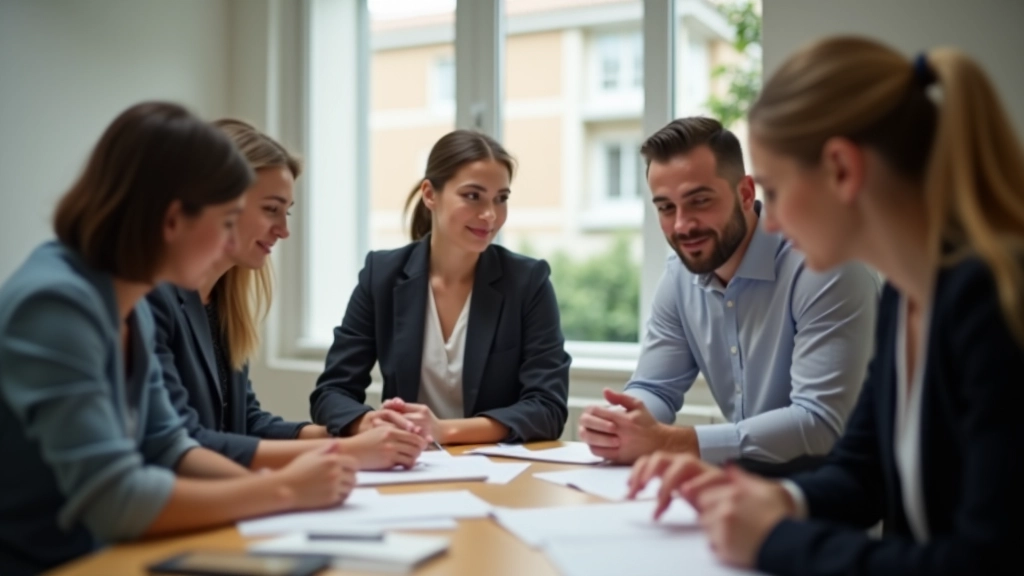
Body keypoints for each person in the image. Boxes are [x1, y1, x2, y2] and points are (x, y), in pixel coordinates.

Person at [628, 37, 1024, 575]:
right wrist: (773, 500)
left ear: (841, 169)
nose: (768, 222)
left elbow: (983, 561)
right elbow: (863, 472)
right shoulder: (907, 298)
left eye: (773, 188)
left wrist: (772, 540)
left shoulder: (992, 302)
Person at [0, 103, 356, 576]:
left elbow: (170, 445)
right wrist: (284, 492)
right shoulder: (55, 302)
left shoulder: (126, 298)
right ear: (172, 221)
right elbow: (113, 498)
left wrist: (287, 500)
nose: (230, 242)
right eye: (227, 221)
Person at [579, 117, 880, 469]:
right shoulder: (679, 277)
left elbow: (821, 423)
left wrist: (673, 441)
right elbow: (656, 387)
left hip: (832, 500)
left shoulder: (825, 266)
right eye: (666, 207)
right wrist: (622, 421)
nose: (681, 225)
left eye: (699, 201)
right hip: (738, 490)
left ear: (746, 193)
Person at [147, 119, 426, 471]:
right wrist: (345, 453)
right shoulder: (152, 299)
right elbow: (186, 441)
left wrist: (352, 432)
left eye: (287, 212)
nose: (284, 230)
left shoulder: (221, 302)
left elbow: (246, 422)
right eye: (270, 209)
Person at [310, 130, 570, 444]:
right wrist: (372, 423)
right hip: (406, 465)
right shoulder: (381, 276)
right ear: (430, 194)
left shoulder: (528, 282)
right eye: (473, 196)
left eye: (501, 198)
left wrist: (444, 430)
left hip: (496, 473)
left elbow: (547, 408)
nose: (490, 215)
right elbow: (331, 393)